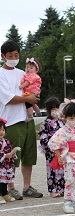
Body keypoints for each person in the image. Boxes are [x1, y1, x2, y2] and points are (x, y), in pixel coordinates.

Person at [0, 40, 43, 200]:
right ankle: (10, 187)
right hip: (11, 121)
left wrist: (34, 96)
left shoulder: (21, 73)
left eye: (16, 55)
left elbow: (31, 87)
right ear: (3, 56)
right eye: (10, 55)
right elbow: (8, 98)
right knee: (11, 156)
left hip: (27, 119)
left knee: (29, 155)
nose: (14, 58)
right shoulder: (1, 74)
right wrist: (29, 98)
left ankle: (27, 187)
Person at [38, 97, 65, 197]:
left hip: (62, 150)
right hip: (51, 151)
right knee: (52, 170)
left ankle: (62, 188)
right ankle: (53, 190)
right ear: (48, 110)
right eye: (52, 109)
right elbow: (43, 136)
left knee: (62, 169)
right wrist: (52, 146)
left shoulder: (63, 121)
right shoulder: (46, 123)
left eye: (57, 108)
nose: (55, 111)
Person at [0, 118, 18, 204]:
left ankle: (4, 194)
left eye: (3, 130)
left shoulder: (6, 141)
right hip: (1, 164)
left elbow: (9, 150)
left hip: (6, 164)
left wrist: (13, 154)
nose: (1, 132)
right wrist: (5, 155)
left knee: (4, 180)